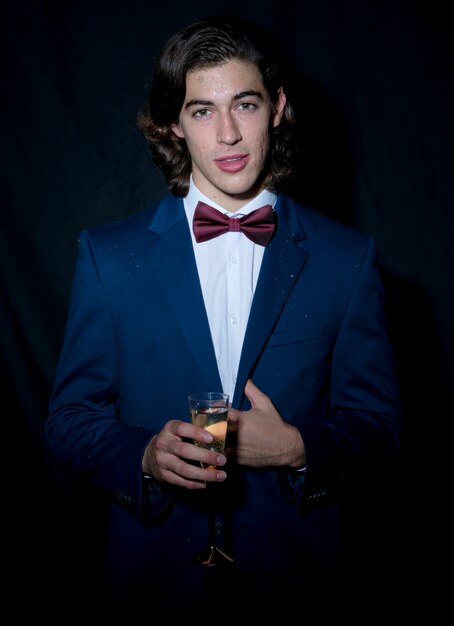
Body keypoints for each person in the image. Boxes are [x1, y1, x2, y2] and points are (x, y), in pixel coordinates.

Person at [46, 14, 402, 618]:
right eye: (203, 110)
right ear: (173, 125)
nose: (230, 134)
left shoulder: (348, 258)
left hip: (301, 586)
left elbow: (382, 428)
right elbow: (70, 419)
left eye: (246, 104)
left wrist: (298, 448)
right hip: (150, 587)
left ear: (278, 107)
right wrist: (144, 456)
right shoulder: (107, 256)